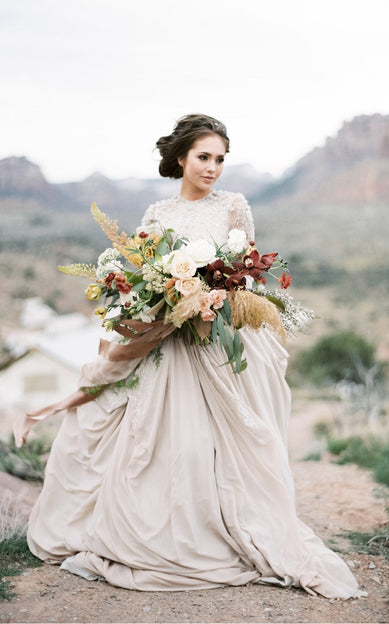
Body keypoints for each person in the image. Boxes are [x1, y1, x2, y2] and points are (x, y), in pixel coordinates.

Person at [24, 114, 365, 598]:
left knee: (224, 441)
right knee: (164, 441)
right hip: (168, 339)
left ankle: (223, 523)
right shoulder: (157, 214)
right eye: (204, 157)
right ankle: (158, 526)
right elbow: (143, 273)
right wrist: (162, 294)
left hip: (218, 334)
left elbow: (248, 269)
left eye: (220, 159)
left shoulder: (235, 206)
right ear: (181, 158)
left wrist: (221, 292)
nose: (213, 168)